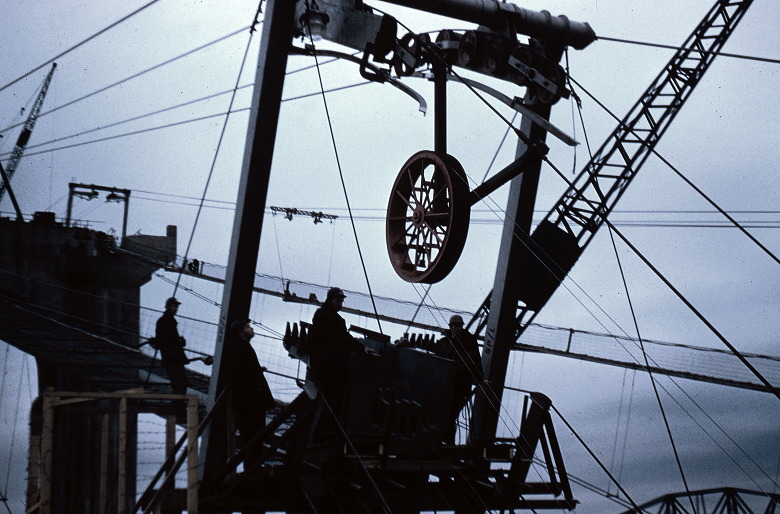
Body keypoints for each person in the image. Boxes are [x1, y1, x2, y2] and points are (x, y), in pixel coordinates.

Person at [398, 314, 488, 444]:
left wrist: (481, 379)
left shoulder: (468, 342)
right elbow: (432, 348)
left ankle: (448, 441)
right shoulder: (445, 342)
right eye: (456, 326)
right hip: (445, 386)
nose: (458, 328)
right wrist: (408, 344)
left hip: (459, 386)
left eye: (460, 326)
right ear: (451, 327)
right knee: (444, 414)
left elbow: (476, 361)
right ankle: (442, 440)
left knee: (451, 415)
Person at [307, 287, 376, 425]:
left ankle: (324, 431)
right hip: (327, 368)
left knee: (333, 399)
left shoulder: (335, 319)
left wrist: (362, 348)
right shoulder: (323, 316)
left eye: (341, 301)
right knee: (332, 399)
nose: (340, 304)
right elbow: (327, 339)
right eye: (337, 301)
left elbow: (344, 338)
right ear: (330, 300)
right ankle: (322, 431)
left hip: (330, 367)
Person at [226, 318, 276, 467]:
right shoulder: (243, 348)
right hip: (252, 402)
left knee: (250, 435)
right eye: (248, 327)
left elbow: (243, 371)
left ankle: (251, 466)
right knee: (255, 435)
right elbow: (247, 375)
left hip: (247, 401)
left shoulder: (241, 347)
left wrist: (256, 370)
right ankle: (252, 467)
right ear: (241, 333)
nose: (252, 329)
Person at [155, 297, 189, 396]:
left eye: (177, 307)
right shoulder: (166, 321)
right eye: (174, 306)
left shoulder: (167, 320)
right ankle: (178, 407)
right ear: (168, 307)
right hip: (172, 357)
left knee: (179, 383)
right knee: (180, 382)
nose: (176, 309)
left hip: (172, 357)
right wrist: (179, 341)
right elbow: (168, 338)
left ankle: (178, 406)